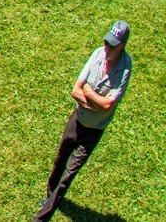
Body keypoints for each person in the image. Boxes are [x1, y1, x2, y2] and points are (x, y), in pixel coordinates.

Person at [32, 22, 133, 222]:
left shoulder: (125, 68)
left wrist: (88, 91)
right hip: (76, 120)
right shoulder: (97, 54)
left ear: (122, 45)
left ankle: (41, 218)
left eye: (112, 45)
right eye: (106, 42)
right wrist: (94, 100)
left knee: (68, 175)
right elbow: (75, 90)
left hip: (94, 131)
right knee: (60, 159)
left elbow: (107, 106)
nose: (107, 47)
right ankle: (49, 195)